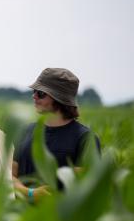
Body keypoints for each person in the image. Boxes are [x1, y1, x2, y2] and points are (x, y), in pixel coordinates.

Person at [13, 68, 101, 203]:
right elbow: (10, 176)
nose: (34, 96)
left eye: (41, 93)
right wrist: (31, 194)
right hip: (20, 219)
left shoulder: (85, 139)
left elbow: (87, 188)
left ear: (59, 98)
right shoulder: (25, 131)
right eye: (34, 91)